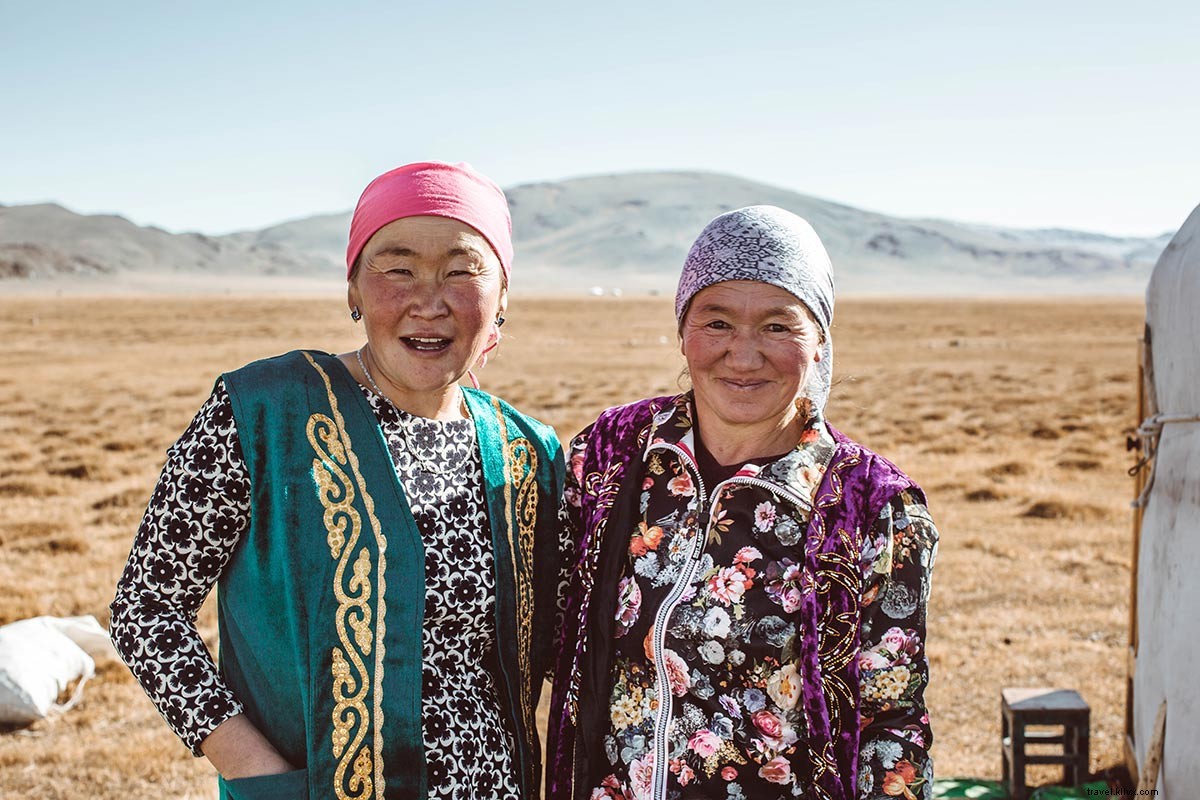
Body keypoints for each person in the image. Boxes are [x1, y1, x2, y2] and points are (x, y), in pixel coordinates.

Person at [110, 161, 565, 800]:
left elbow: (562, 644)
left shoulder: (527, 451)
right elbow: (146, 611)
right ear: (353, 289)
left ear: (502, 298)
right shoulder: (262, 412)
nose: (428, 300)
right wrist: (258, 774)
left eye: (463, 270)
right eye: (396, 267)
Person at [546, 206, 938, 800]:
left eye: (779, 327)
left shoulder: (872, 506)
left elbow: (891, 727)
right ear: (683, 329)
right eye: (718, 322)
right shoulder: (613, 452)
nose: (745, 355)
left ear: (820, 341)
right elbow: (539, 630)